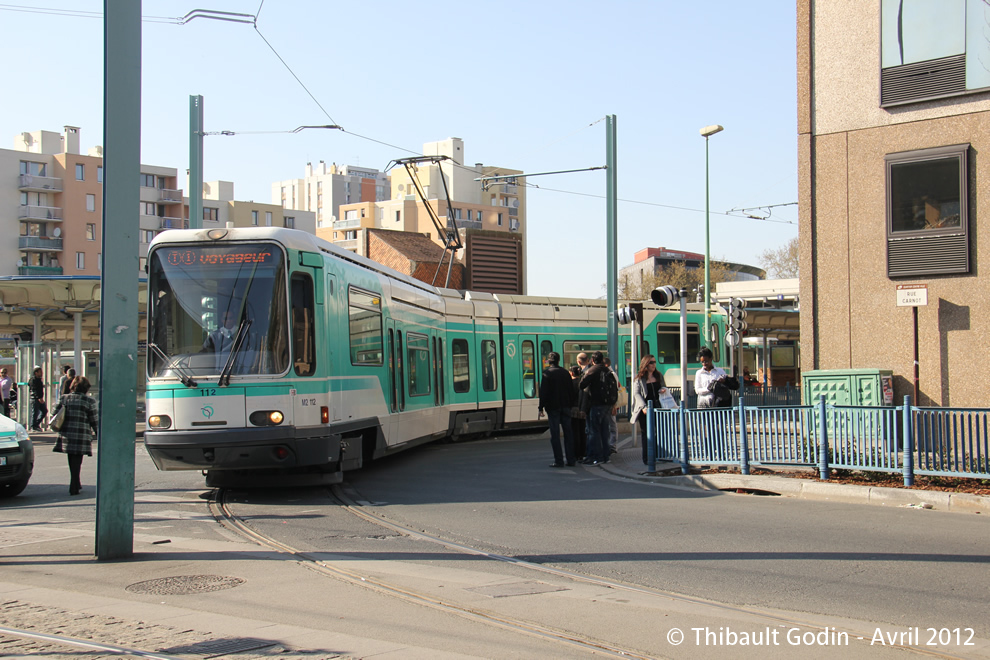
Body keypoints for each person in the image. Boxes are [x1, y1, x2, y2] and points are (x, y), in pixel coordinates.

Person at [50, 376, 99, 496]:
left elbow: (53, 413)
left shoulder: (64, 398)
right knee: (78, 460)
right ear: (86, 388)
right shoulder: (89, 401)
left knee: (71, 459)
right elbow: (94, 420)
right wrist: (99, 434)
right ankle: (74, 485)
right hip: (81, 435)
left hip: (67, 433)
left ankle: (76, 482)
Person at [538, 352, 576, 467]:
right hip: (566, 406)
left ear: (549, 361)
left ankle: (559, 460)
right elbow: (571, 390)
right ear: (558, 361)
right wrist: (571, 404)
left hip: (553, 407)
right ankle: (571, 460)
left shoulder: (547, 374)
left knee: (555, 435)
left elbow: (543, 392)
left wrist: (541, 408)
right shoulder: (565, 373)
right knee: (568, 434)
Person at [630, 355, 667, 464]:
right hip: (645, 409)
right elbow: (636, 393)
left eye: (655, 362)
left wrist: (663, 389)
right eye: (651, 362)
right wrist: (644, 407)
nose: (654, 365)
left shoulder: (659, 375)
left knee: (659, 432)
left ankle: (659, 455)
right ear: (646, 364)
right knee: (646, 433)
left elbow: (664, 386)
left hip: (657, 406)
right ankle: (647, 458)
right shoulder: (639, 378)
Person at [578, 351, 613, 465]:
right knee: (604, 431)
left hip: (597, 404)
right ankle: (606, 456)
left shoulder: (593, 370)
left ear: (592, 360)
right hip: (607, 405)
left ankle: (595, 456)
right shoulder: (607, 370)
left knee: (594, 431)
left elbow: (582, 384)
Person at [569, 366, 587, 461]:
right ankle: (583, 452)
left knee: (574, 432)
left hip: (573, 410)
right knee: (583, 432)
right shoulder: (582, 383)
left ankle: (575, 453)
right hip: (582, 410)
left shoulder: (570, 384)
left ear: (572, 373)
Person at [603, 357, 620, 455]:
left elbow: (615, 390)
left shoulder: (611, 374)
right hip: (610, 403)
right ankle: (611, 445)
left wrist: (614, 404)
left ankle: (613, 446)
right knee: (611, 424)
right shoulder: (609, 374)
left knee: (612, 424)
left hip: (611, 403)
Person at [28, 366, 47, 432]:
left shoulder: (39, 379)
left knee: (44, 411)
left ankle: (36, 424)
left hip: (39, 398)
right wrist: (38, 397)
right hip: (35, 398)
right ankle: (33, 426)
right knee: (35, 412)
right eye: (40, 372)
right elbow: (34, 389)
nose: (42, 373)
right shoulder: (33, 380)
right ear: (36, 373)